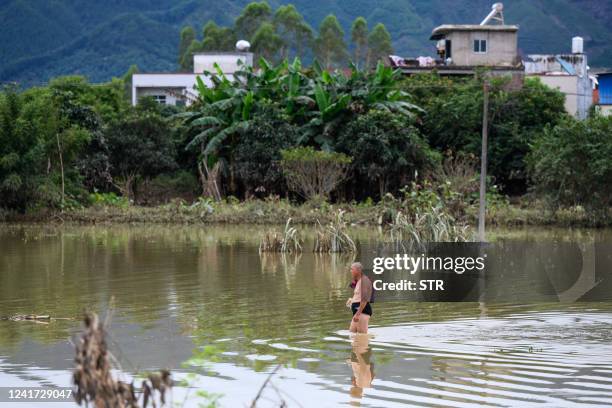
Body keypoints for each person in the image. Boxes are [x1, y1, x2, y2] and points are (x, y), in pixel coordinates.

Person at [346, 262, 373, 333]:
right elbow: (359, 296)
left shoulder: (365, 281)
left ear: (358, 270)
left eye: (352, 269)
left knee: (362, 336)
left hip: (362, 312)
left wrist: (358, 314)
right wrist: (352, 300)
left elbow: (365, 299)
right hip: (357, 312)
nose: (350, 271)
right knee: (352, 334)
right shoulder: (358, 281)